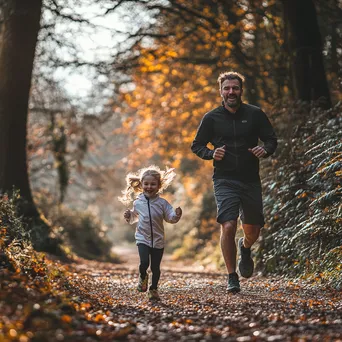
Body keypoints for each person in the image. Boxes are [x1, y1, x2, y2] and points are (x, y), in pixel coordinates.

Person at [191, 71, 277, 293]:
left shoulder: (255, 114)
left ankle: (245, 247)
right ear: (220, 91)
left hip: (250, 179)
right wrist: (211, 154)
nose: (231, 92)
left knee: (253, 230)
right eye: (227, 88)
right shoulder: (211, 118)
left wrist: (265, 149)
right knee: (228, 224)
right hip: (224, 179)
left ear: (241, 90)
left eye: (235, 88)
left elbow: (271, 139)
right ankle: (232, 276)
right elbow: (197, 145)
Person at [119, 165, 182, 301]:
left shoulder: (163, 203)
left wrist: (176, 215)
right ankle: (143, 276)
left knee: (155, 267)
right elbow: (134, 218)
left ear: (159, 186)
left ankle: (153, 290)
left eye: (153, 184)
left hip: (158, 240)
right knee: (144, 263)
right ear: (141, 185)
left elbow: (170, 217)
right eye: (146, 184)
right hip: (142, 238)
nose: (149, 187)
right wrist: (129, 215)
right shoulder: (138, 203)